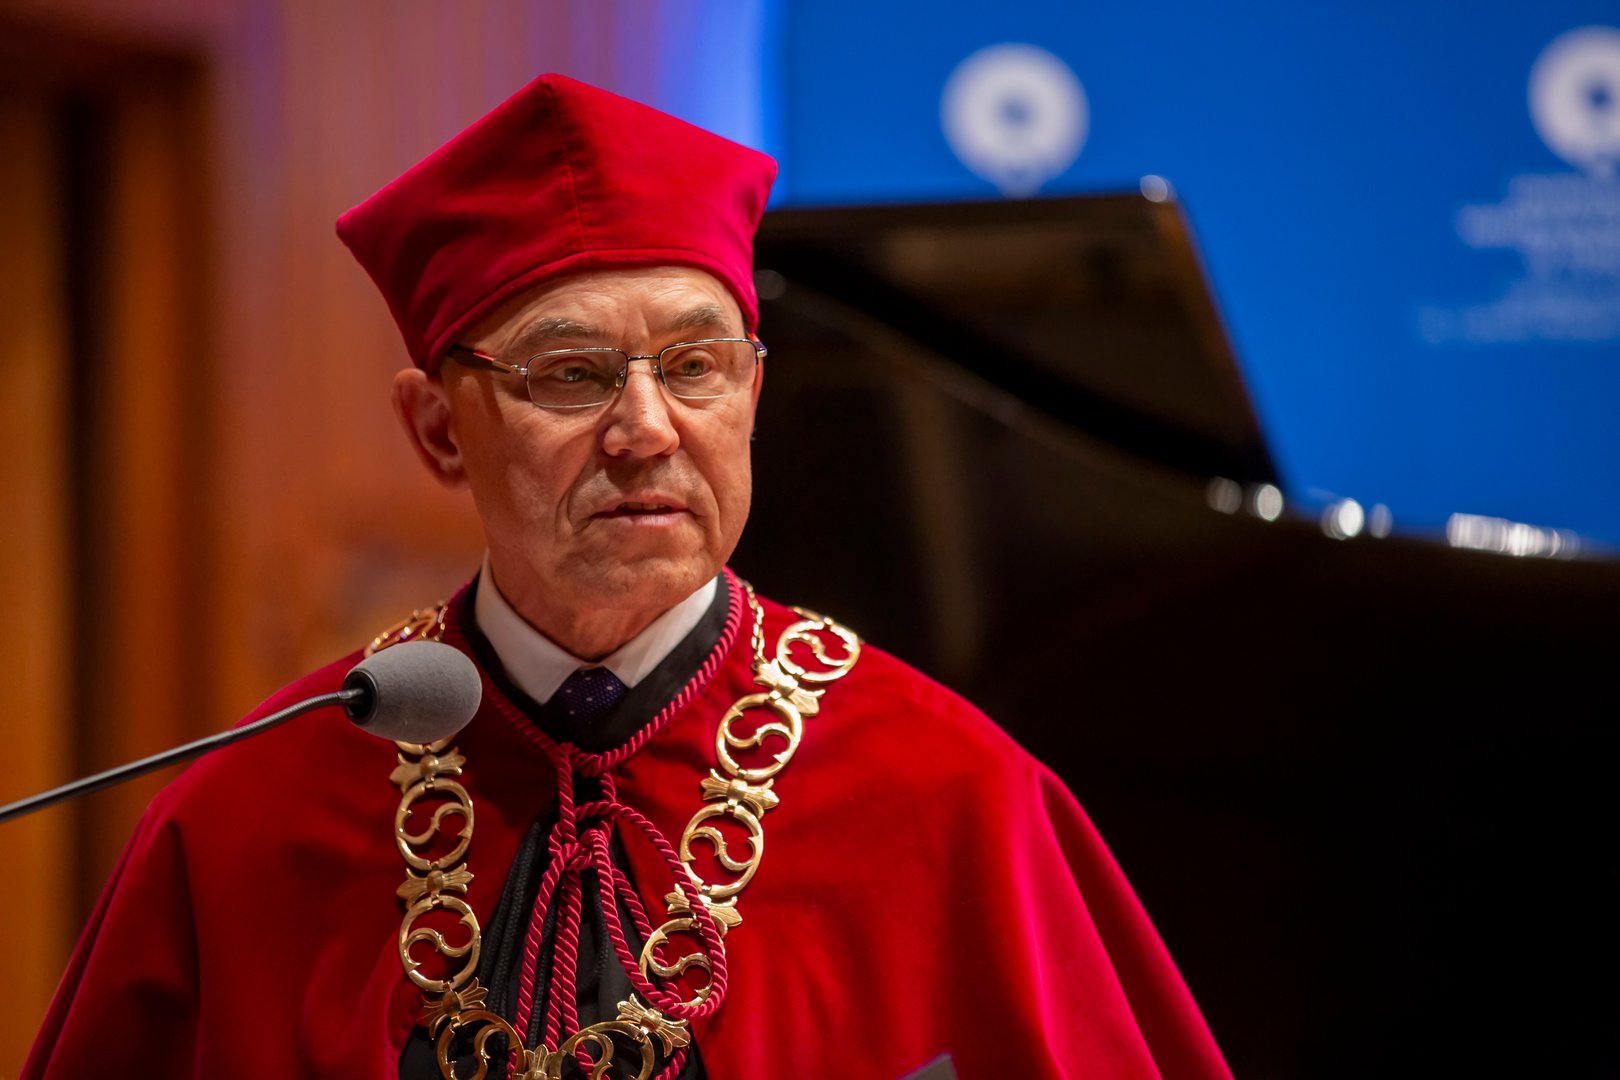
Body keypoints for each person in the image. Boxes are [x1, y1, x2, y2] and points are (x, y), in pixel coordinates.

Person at [24, 74, 1231, 1080]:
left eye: (697, 365)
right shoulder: (250, 819)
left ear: (752, 392)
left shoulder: (953, 800)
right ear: (439, 430)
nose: (648, 429)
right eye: (570, 374)